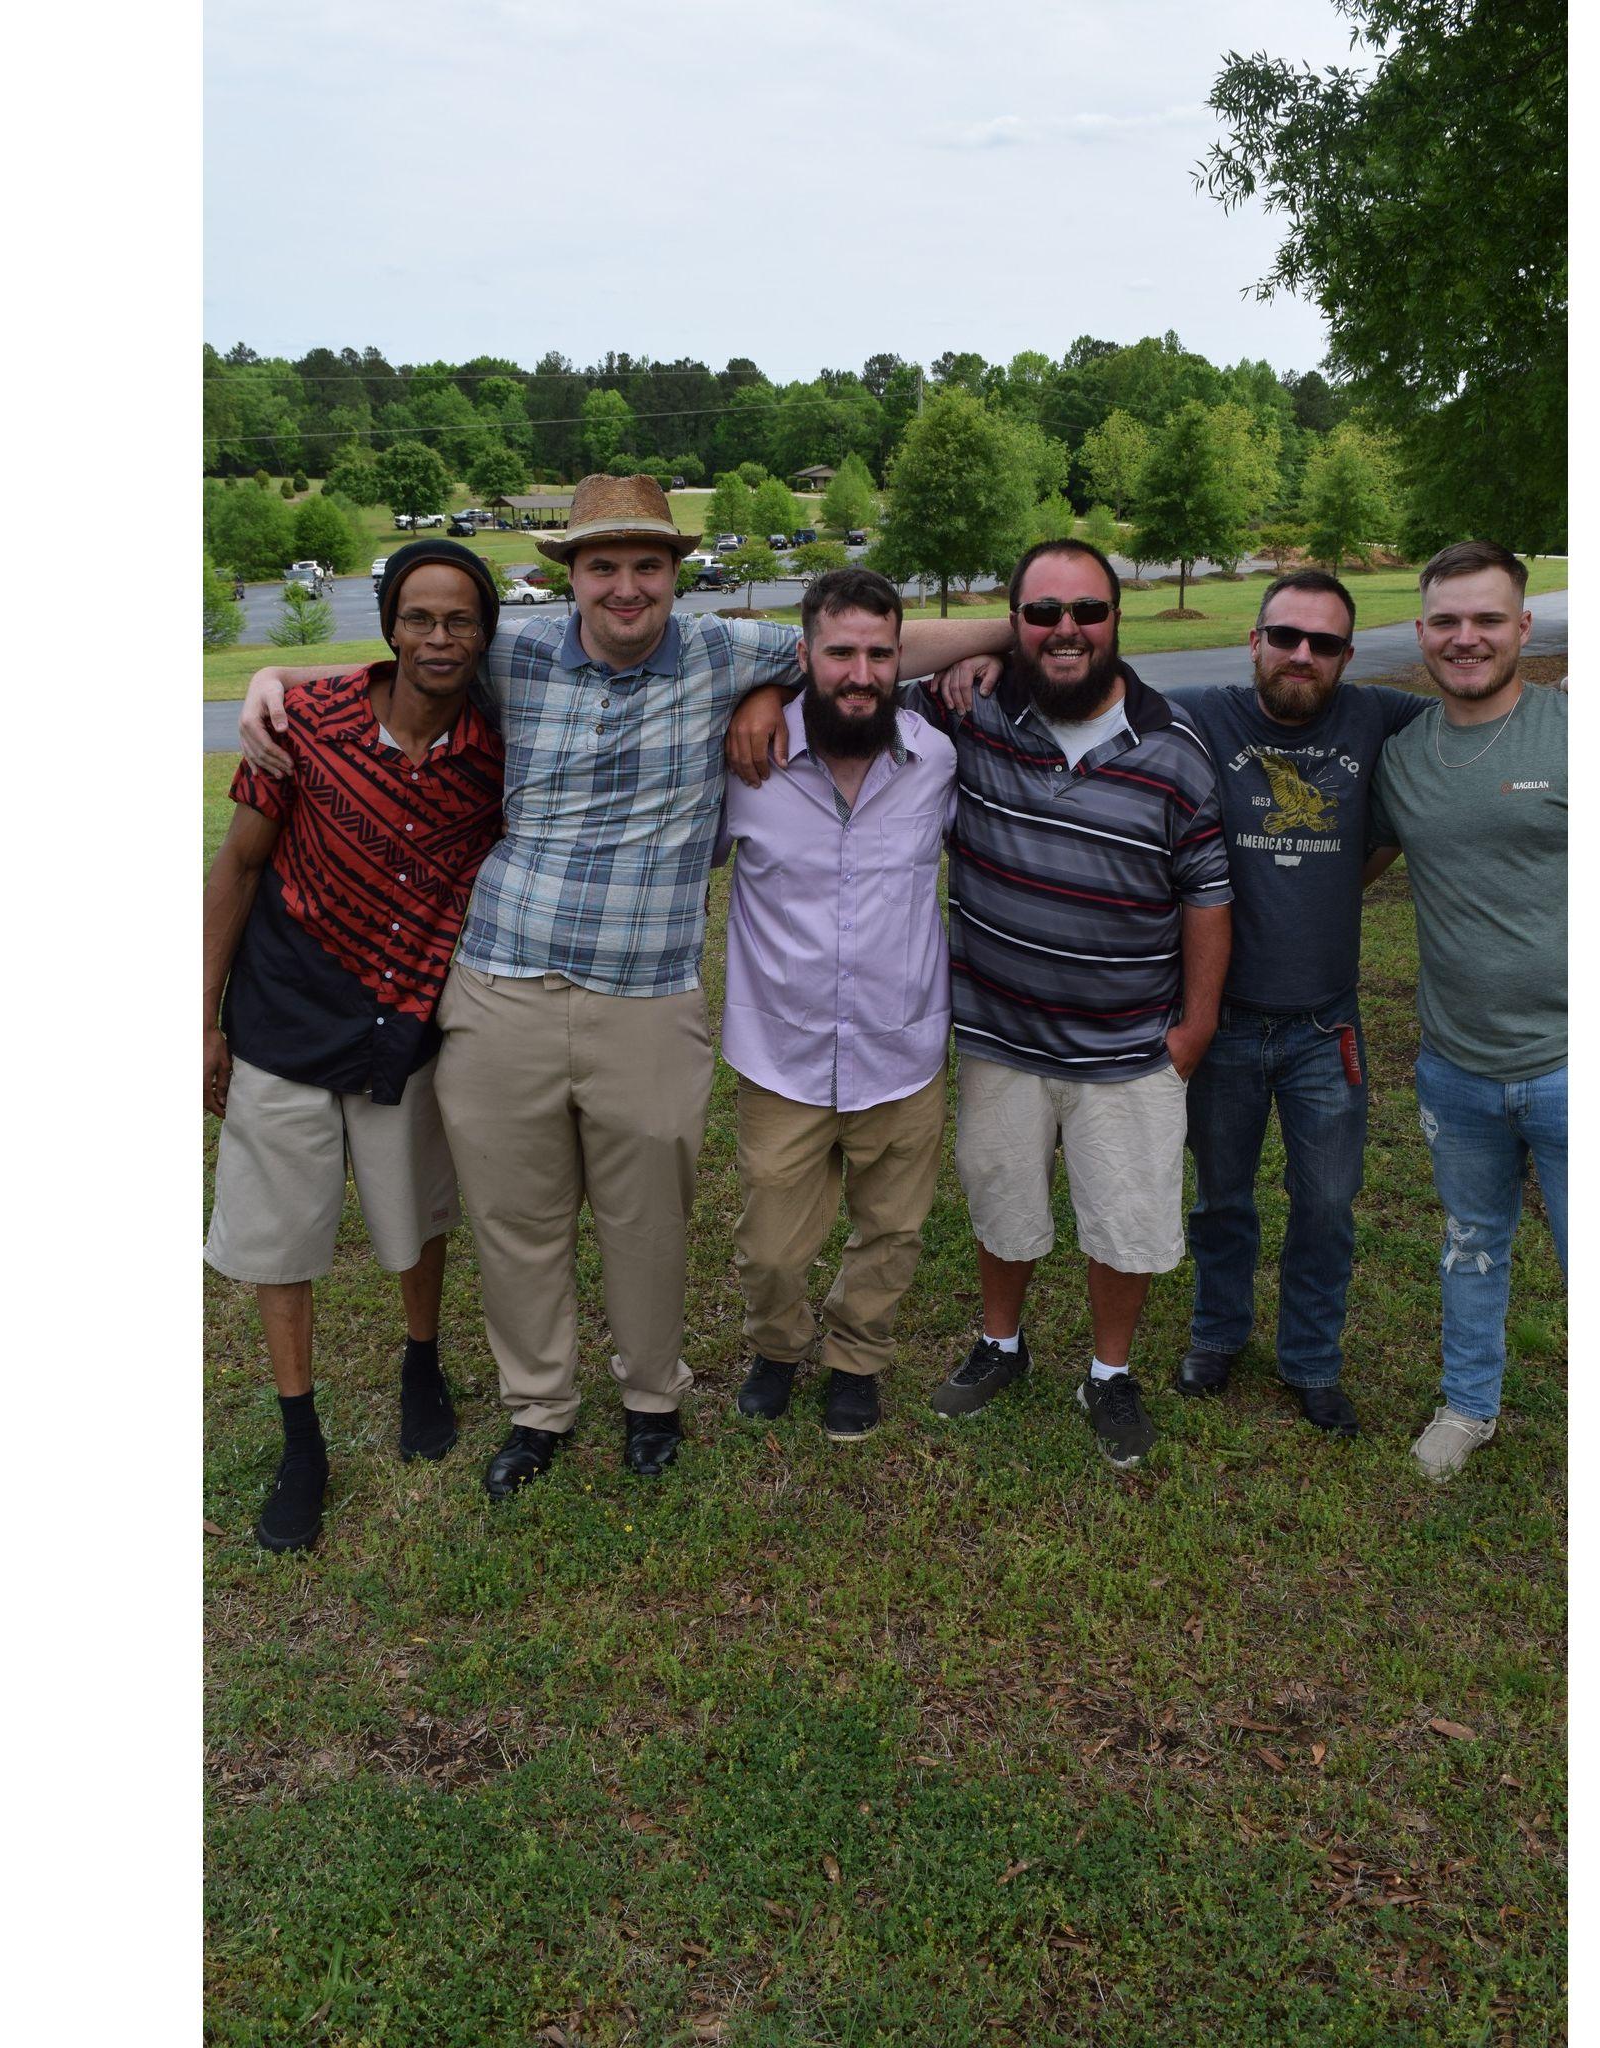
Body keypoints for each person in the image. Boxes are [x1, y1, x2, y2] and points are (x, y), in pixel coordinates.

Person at [238, 475, 1009, 1493]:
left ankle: (652, 1395)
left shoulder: (723, 652)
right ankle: (540, 1405)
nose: (626, 586)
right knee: (516, 1219)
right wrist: (278, 674)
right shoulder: (508, 654)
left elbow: (873, 646)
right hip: (501, 984)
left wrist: (1012, 630)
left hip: (646, 995)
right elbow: (403, 666)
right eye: (603, 565)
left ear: (674, 575)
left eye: (647, 564)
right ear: (573, 576)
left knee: (647, 1217)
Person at [205, 539, 508, 1552]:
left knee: (415, 1214)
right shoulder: (309, 723)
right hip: (285, 1016)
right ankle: (303, 1439)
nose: (437, 636)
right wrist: (200, 1012)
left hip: (406, 1021)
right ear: (389, 625)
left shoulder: (497, 747)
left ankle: (420, 1362)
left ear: (483, 633)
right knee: (278, 1238)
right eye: (418, 616)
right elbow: (238, 868)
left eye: (458, 619)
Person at [920, 540, 1232, 1468]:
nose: (1067, 631)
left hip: (1129, 1044)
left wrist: (1197, 1026)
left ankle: (1109, 1372)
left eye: (1087, 612)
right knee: (1001, 1198)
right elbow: (854, 655)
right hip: (1002, 1037)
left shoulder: (1175, 747)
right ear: (1011, 620)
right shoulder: (968, 715)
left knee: (1125, 1219)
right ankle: (1000, 1345)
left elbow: (1206, 894)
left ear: (1117, 619)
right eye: (1042, 613)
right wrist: (987, 645)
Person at [1166, 571, 1430, 1436]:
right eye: (1285, 636)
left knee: (1325, 1203)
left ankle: (1312, 1360)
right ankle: (1217, 1333)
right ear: (1254, 640)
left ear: (1348, 657)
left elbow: (1486, 722)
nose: (1301, 655)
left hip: (1328, 1025)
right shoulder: (1200, 711)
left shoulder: (1379, 718)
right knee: (1221, 1198)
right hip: (1225, 1015)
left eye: (1323, 643)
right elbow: (1080, 688)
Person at [719, 568, 955, 1442]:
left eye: (879, 654)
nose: (860, 674)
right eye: (840, 653)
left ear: (901, 660)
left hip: (902, 1050)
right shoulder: (747, 758)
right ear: (804, 655)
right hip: (781, 1052)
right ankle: (777, 1347)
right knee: (772, 1247)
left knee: (892, 1231)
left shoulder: (935, 760)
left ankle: (857, 1357)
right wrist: (758, 697)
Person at [1363, 540, 1567, 1481]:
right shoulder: (1401, 758)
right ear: (1421, 632)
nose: (1467, 638)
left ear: (1524, 627)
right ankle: (1468, 1407)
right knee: (1472, 1246)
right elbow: (1348, 870)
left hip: (1577, 1060)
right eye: (1447, 620)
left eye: (1489, 619)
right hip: (1456, 1063)